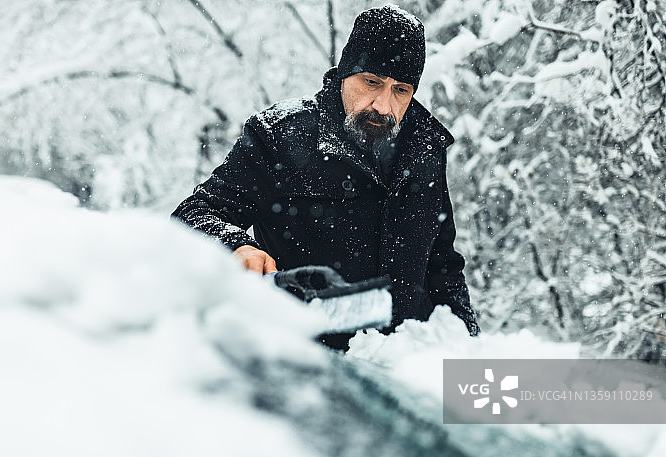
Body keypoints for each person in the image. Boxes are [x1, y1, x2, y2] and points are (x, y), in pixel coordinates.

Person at [172, 5, 478, 349]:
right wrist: (238, 246)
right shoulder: (279, 138)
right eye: (372, 82)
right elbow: (195, 214)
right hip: (308, 366)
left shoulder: (425, 150)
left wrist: (468, 348)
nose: (383, 105)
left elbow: (444, 269)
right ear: (345, 73)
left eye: (401, 90)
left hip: (403, 370)